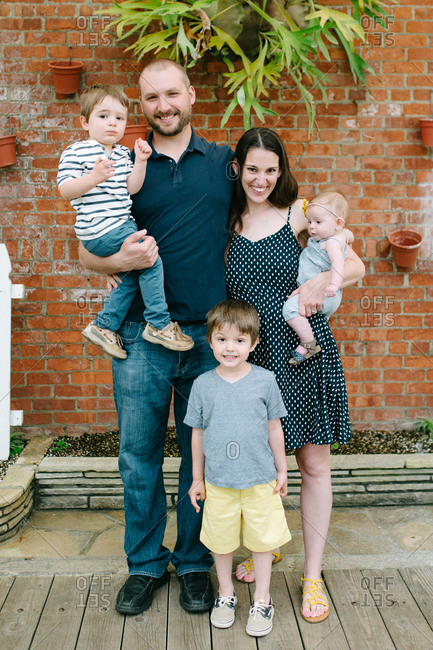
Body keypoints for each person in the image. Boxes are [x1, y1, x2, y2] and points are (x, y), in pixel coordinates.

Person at [78, 60, 234, 614]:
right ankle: (145, 565)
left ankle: (193, 563)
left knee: (202, 460)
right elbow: (85, 248)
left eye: (172, 93)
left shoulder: (224, 163)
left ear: (191, 95)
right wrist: (118, 259)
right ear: (141, 106)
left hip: (211, 338)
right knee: (138, 455)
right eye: (151, 98)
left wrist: (336, 257)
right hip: (141, 336)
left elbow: (275, 216)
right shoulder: (121, 161)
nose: (163, 105)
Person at [225, 127, 365, 622]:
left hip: (304, 356)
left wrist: (320, 283)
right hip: (253, 363)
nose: (260, 179)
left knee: (313, 466)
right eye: (252, 168)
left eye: (270, 169)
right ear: (237, 168)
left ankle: (312, 577)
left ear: (281, 171)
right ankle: (272, 543)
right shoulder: (228, 221)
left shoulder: (300, 214)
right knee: (262, 470)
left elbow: (357, 266)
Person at [57, 83, 193, 359]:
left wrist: (141, 160)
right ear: (84, 121)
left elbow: (132, 187)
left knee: (131, 275)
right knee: (150, 259)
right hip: (102, 229)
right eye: (103, 116)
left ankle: (104, 326)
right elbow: (65, 188)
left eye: (119, 118)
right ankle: (158, 323)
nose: (112, 123)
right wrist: (93, 178)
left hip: (119, 226)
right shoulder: (78, 151)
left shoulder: (120, 153)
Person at [186, 299, 291, 637]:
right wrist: (196, 479)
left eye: (239, 340)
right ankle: (226, 593)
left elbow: (275, 427)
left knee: (262, 542)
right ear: (210, 341)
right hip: (219, 482)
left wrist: (282, 469)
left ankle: (262, 598)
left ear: (253, 343)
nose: (230, 347)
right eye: (222, 339)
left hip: (260, 479)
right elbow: (197, 434)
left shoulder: (266, 380)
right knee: (221, 540)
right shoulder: (202, 384)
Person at [282, 190, 354, 365]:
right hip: (320, 293)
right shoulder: (335, 236)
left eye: (318, 222)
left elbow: (339, 264)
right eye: (310, 222)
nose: (311, 227)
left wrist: (333, 284)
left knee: (289, 310)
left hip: (326, 292)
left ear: (338, 223)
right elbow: (349, 235)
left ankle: (308, 344)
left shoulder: (331, 243)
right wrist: (347, 235)